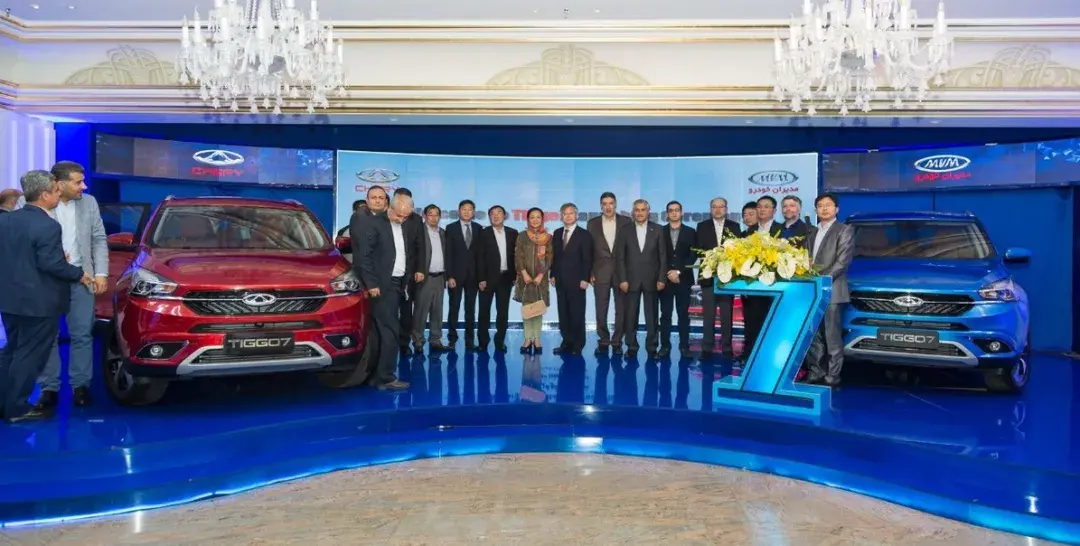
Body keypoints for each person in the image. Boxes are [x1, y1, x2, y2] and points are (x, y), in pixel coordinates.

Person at [0, 170, 91, 423]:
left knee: (12, 350)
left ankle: (5, 403)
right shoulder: (48, 225)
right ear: (44, 195)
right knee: (28, 355)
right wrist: (78, 273)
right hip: (39, 303)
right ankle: (16, 409)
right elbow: (52, 264)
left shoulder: (5, 220)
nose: (59, 194)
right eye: (55, 190)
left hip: (9, 299)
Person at [37, 161, 108, 409]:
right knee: (47, 336)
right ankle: (49, 388)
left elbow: (98, 239)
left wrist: (101, 273)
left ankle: (80, 386)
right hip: (46, 281)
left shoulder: (89, 203)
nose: (83, 186)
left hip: (82, 278)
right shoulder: (33, 203)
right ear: (59, 183)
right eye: (78, 182)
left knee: (82, 334)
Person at [353, 193, 413, 392]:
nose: (402, 219)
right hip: (381, 286)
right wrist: (371, 284)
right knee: (389, 331)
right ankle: (386, 377)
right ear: (389, 207)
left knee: (383, 331)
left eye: (406, 216)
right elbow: (364, 257)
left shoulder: (402, 225)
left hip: (397, 284)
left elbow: (401, 254)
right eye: (399, 215)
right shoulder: (374, 223)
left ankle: (375, 376)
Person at [804, 193, 854, 387]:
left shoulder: (844, 230)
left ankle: (833, 376)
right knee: (814, 335)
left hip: (832, 290)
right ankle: (816, 372)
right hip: (812, 291)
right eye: (820, 205)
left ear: (836, 209)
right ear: (816, 210)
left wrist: (821, 280)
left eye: (828, 205)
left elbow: (842, 262)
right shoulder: (812, 232)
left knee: (832, 336)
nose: (824, 208)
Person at [615, 199, 667, 359]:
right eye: (637, 210)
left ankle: (652, 347)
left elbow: (663, 257)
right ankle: (631, 347)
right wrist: (622, 279)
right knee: (630, 316)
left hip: (653, 280)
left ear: (648, 212)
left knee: (652, 317)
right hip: (630, 281)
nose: (639, 213)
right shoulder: (625, 230)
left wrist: (662, 278)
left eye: (643, 210)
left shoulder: (658, 229)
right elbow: (620, 257)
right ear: (633, 212)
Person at [695, 197, 742, 359]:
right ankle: (706, 347)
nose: (718, 209)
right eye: (714, 207)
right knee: (708, 314)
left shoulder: (735, 226)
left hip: (727, 278)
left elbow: (738, 251)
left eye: (721, 206)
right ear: (710, 210)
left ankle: (727, 347)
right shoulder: (702, 226)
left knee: (726, 315)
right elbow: (698, 250)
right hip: (708, 277)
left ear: (726, 209)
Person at [586, 192, 631, 356]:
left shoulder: (626, 221)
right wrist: (590, 272)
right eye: (604, 204)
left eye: (611, 203)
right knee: (601, 308)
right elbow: (589, 249)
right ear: (601, 206)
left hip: (621, 272)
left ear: (616, 204)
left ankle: (617, 341)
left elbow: (630, 248)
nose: (608, 207)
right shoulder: (592, 223)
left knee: (622, 309)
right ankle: (603, 341)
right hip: (600, 272)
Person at [741, 195, 783, 359]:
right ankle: (749, 354)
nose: (762, 209)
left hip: (774, 286)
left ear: (774, 210)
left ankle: (771, 355)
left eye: (766, 206)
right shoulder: (749, 231)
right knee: (751, 321)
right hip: (752, 285)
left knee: (773, 321)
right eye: (759, 206)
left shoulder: (781, 230)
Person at [551, 203, 593, 356]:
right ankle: (566, 342)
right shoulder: (557, 233)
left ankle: (577, 344)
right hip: (560, 280)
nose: (568, 216)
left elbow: (588, 258)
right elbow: (554, 257)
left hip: (577, 281)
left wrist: (585, 278)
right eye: (565, 214)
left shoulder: (584, 234)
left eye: (571, 213)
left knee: (577, 313)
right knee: (563, 313)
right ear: (561, 216)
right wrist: (552, 274)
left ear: (576, 215)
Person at [476, 205, 517, 353]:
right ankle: (483, 342)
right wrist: (481, 278)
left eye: (499, 213)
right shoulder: (483, 233)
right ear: (489, 217)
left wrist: (515, 276)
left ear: (504, 216)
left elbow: (516, 257)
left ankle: (500, 341)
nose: (496, 216)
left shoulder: (513, 233)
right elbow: (479, 257)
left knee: (503, 312)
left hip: (506, 278)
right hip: (487, 279)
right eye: (492, 214)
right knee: (484, 312)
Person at [659, 201, 696, 357]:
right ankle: (665, 346)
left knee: (683, 314)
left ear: (681, 212)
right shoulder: (660, 231)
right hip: (665, 279)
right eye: (671, 210)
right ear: (667, 214)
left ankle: (684, 346)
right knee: (665, 314)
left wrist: (678, 271)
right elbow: (658, 255)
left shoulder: (691, 232)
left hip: (684, 279)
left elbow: (693, 255)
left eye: (677, 210)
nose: (674, 213)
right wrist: (669, 272)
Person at [412, 204, 450, 353]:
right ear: (425, 216)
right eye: (430, 214)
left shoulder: (443, 233)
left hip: (440, 277)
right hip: (424, 277)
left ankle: (435, 339)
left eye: (436, 215)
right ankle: (418, 341)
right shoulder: (418, 232)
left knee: (437, 310)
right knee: (421, 310)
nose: (433, 218)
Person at [514, 208, 552, 354]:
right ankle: (527, 338)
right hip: (525, 278)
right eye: (532, 217)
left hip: (540, 279)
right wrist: (523, 273)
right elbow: (518, 256)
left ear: (542, 219)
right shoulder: (522, 236)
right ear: (528, 220)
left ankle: (537, 338)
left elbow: (549, 258)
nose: (535, 220)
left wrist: (541, 275)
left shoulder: (548, 237)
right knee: (527, 309)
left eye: (538, 217)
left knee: (538, 309)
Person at [445, 199, 482, 350]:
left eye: (469, 209)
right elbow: (448, 254)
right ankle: (452, 339)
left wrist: (481, 277)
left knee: (470, 309)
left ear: (473, 212)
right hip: (455, 276)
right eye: (464, 209)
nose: (467, 212)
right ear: (459, 211)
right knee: (454, 308)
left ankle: (469, 340)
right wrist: (449, 276)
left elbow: (480, 255)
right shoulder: (451, 228)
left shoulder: (479, 228)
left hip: (473, 276)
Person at [393, 188, 423, 355]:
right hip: (388, 273)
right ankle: (388, 343)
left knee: (406, 310)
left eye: (407, 202)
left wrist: (420, 269)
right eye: (400, 201)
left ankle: (404, 343)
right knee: (388, 310)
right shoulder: (385, 217)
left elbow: (420, 246)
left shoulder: (416, 219)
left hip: (409, 273)